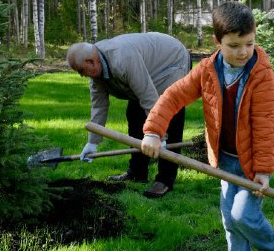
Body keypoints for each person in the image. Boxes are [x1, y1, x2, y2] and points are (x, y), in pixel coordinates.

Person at [140, 2, 274, 251]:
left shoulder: (262, 75)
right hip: (224, 159)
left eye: (249, 43)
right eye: (234, 45)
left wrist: (262, 171)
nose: (243, 51)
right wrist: (153, 131)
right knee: (230, 222)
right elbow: (173, 95)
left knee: (243, 215)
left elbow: (264, 125)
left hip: (254, 160)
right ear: (217, 43)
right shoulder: (208, 70)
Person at [67, 32, 190, 198]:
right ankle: (137, 173)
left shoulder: (123, 59)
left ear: (91, 61)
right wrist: (92, 143)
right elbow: (99, 107)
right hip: (148, 68)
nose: (82, 75)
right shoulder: (96, 73)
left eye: (81, 70)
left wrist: (160, 136)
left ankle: (165, 179)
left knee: (169, 111)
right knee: (134, 114)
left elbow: (148, 97)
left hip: (171, 62)